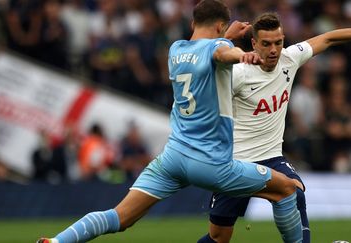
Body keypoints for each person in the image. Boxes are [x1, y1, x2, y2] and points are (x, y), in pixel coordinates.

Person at [37, 1, 304, 242]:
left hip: (173, 158)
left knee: (119, 216)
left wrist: (226, 39)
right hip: (211, 163)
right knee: (287, 189)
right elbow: (222, 53)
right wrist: (241, 54)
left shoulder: (176, 49)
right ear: (221, 26)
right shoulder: (221, 47)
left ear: (192, 23)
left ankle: (58, 241)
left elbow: (207, 50)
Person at [197, 12, 351, 243]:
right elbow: (199, 74)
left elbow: (327, 38)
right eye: (266, 44)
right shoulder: (238, 74)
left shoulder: (289, 58)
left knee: (295, 192)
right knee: (218, 238)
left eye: (278, 42)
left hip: (271, 158)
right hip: (236, 163)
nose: (274, 50)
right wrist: (225, 37)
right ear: (254, 44)